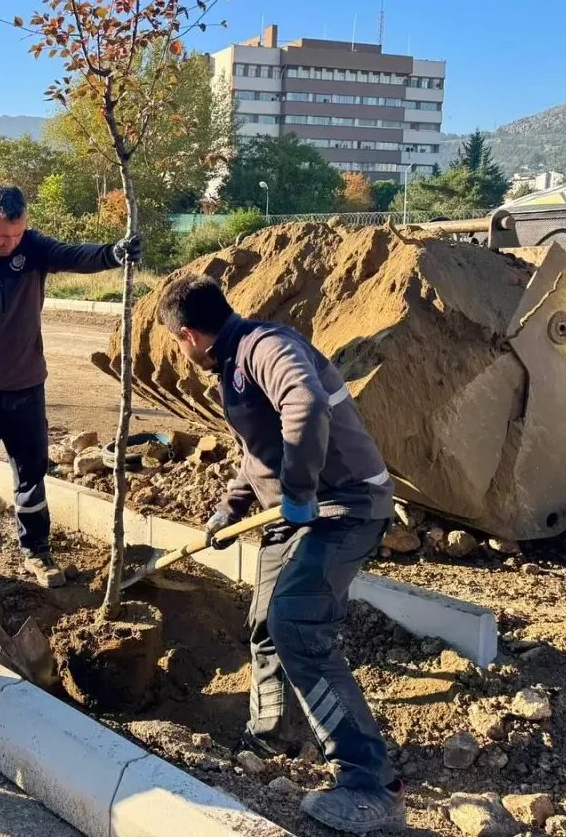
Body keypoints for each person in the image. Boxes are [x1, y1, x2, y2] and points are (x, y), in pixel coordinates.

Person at [157, 273, 404, 834]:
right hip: (293, 518)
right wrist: (230, 507)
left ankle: (371, 785)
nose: (181, 350)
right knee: (265, 619)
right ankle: (271, 733)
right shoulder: (233, 366)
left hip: (344, 507)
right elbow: (257, 449)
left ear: (191, 335)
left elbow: (306, 404)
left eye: (178, 343)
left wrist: (298, 492)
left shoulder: (266, 347)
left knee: (296, 624)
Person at [0, 183, 140, 590]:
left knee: (31, 477)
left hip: (25, 389)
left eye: (18, 233)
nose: (11, 243)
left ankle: (37, 552)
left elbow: (73, 255)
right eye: (2, 235)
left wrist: (112, 254)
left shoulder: (33, 247)